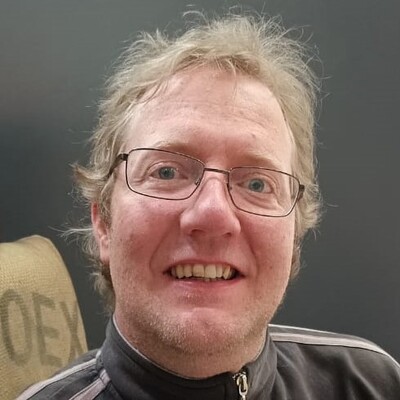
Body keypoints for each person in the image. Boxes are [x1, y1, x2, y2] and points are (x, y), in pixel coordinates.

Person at [18, 11, 400, 400]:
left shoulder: (371, 384)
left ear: (294, 237)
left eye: (257, 183)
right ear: (104, 224)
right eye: (167, 172)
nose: (213, 213)